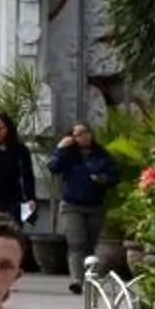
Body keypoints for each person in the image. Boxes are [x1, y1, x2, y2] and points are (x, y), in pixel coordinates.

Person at [43, 123, 118, 292]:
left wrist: (103, 180)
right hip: (72, 205)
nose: (83, 136)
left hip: (95, 205)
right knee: (77, 243)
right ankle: (77, 280)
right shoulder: (68, 155)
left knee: (90, 245)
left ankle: (88, 279)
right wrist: (60, 149)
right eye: (78, 134)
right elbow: (53, 167)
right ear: (72, 137)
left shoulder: (101, 155)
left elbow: (114, 177)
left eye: (86, 133)